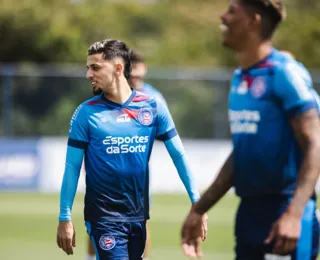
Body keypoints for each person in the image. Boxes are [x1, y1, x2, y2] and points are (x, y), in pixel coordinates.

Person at [181, 1, 320, 259]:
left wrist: (294, 214)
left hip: (285, 215)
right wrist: (199, 209)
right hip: (249, 214)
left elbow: (315, 144)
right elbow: (241, 155)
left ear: (253, 21)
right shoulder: (239, 78)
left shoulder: (283, 73)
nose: (223, 16)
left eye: (232, 11)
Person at [56, 39, 207, 260]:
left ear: (118, 68)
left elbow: (179, 156)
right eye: (88, 68)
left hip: (138, 216)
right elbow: (72, 167)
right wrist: (64, 217)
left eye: (95, 67)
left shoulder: (153, 107)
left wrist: (197, 203)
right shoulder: (86, 113)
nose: (88, 74)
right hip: (104, 217)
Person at [85, 50, 167, 260]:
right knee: (98, 217)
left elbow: (163, 132)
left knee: (142, 221)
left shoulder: (153, 99)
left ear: (145, 71)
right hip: (105, 172)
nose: (136, 81)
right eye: (133, 76)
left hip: (137, 175)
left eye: (140, 76)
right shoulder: (109, 96)